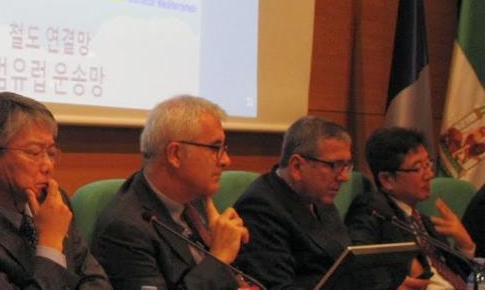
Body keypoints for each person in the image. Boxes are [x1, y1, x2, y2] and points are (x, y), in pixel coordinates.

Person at [0, 91, 111, 289]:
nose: (48, 165)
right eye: (34, 153)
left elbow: (96, 282)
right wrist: (50, 243)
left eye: (51, 153)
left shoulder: (53, 204)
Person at [92, 95, 250, 289]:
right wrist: (219, 258)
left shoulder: (195, 198)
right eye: (215, 148)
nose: (226, 160)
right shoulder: (126, 228)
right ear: (175, 154)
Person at [232, 115, 354, 290]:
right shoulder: (259, 207)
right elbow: (277, 287)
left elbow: (344, 261)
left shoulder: (318, 196)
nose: (345, 177)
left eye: (347, 165)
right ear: (297, 166)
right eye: (334, 165)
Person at [345, 126, 476, 289]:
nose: (429, 174)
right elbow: (356, 263)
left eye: (428, 164)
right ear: (387, 179)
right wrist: (392, 284)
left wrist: (466, 247)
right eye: (418, 168)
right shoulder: (373, 209)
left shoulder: (424, 223)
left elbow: (475, 283)